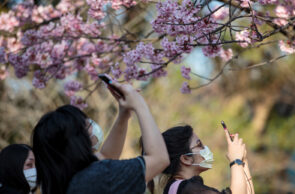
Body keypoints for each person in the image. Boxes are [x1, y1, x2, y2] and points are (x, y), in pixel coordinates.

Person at [32, 83, 169, 194]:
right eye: (87, 124)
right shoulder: (98, 176)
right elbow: (159, 159)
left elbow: (106, 155)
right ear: (76, 140)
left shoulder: (57, 181)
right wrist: (140, 105)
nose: (92, 126)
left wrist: (124, 114)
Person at [154, 125, 254, 194]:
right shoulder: (188, 189)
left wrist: (242, 161)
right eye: (199, 145)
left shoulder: (178, 187)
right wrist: (235, 161)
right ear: (186, 159)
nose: (205, 148)